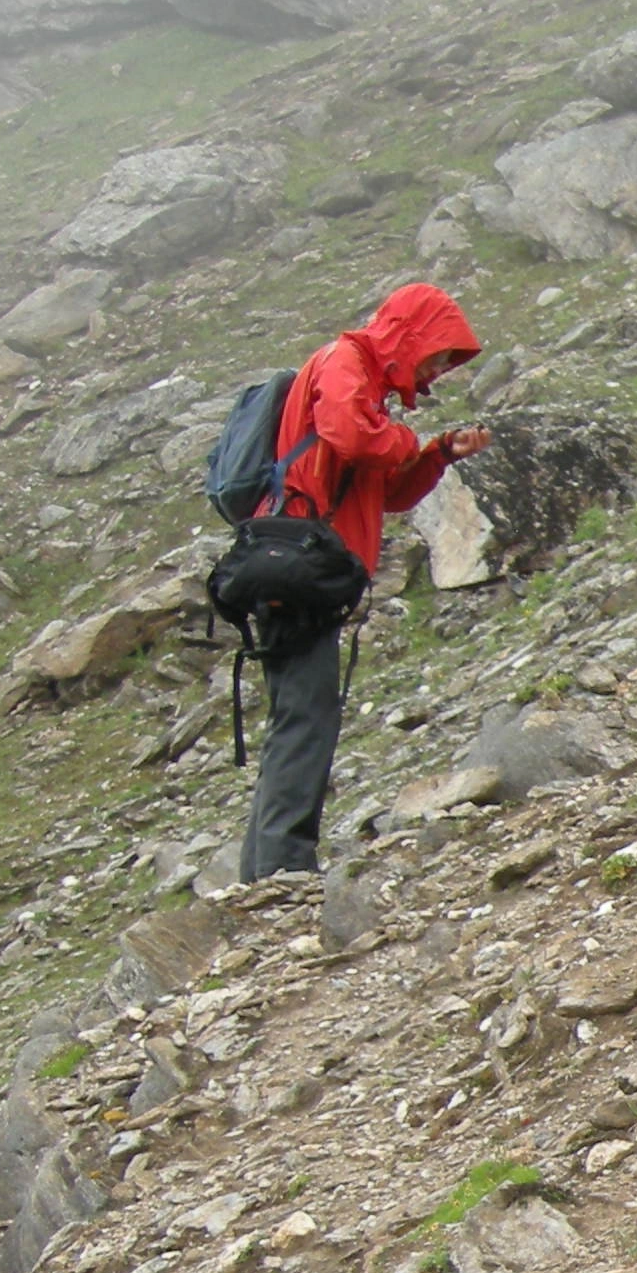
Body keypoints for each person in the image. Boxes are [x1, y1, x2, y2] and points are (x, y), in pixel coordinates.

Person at [244, 282, 490, 883]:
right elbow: (349, 436)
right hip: (299, 563)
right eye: (437, 356)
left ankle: (270, 866)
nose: (435, 374)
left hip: (313, 569)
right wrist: (408, 440)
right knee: (306, 713)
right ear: (412, 336)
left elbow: (390, 490)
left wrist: (437, 455)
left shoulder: (371, 393)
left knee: (306, 711)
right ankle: (280, 869)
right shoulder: (345, 363)